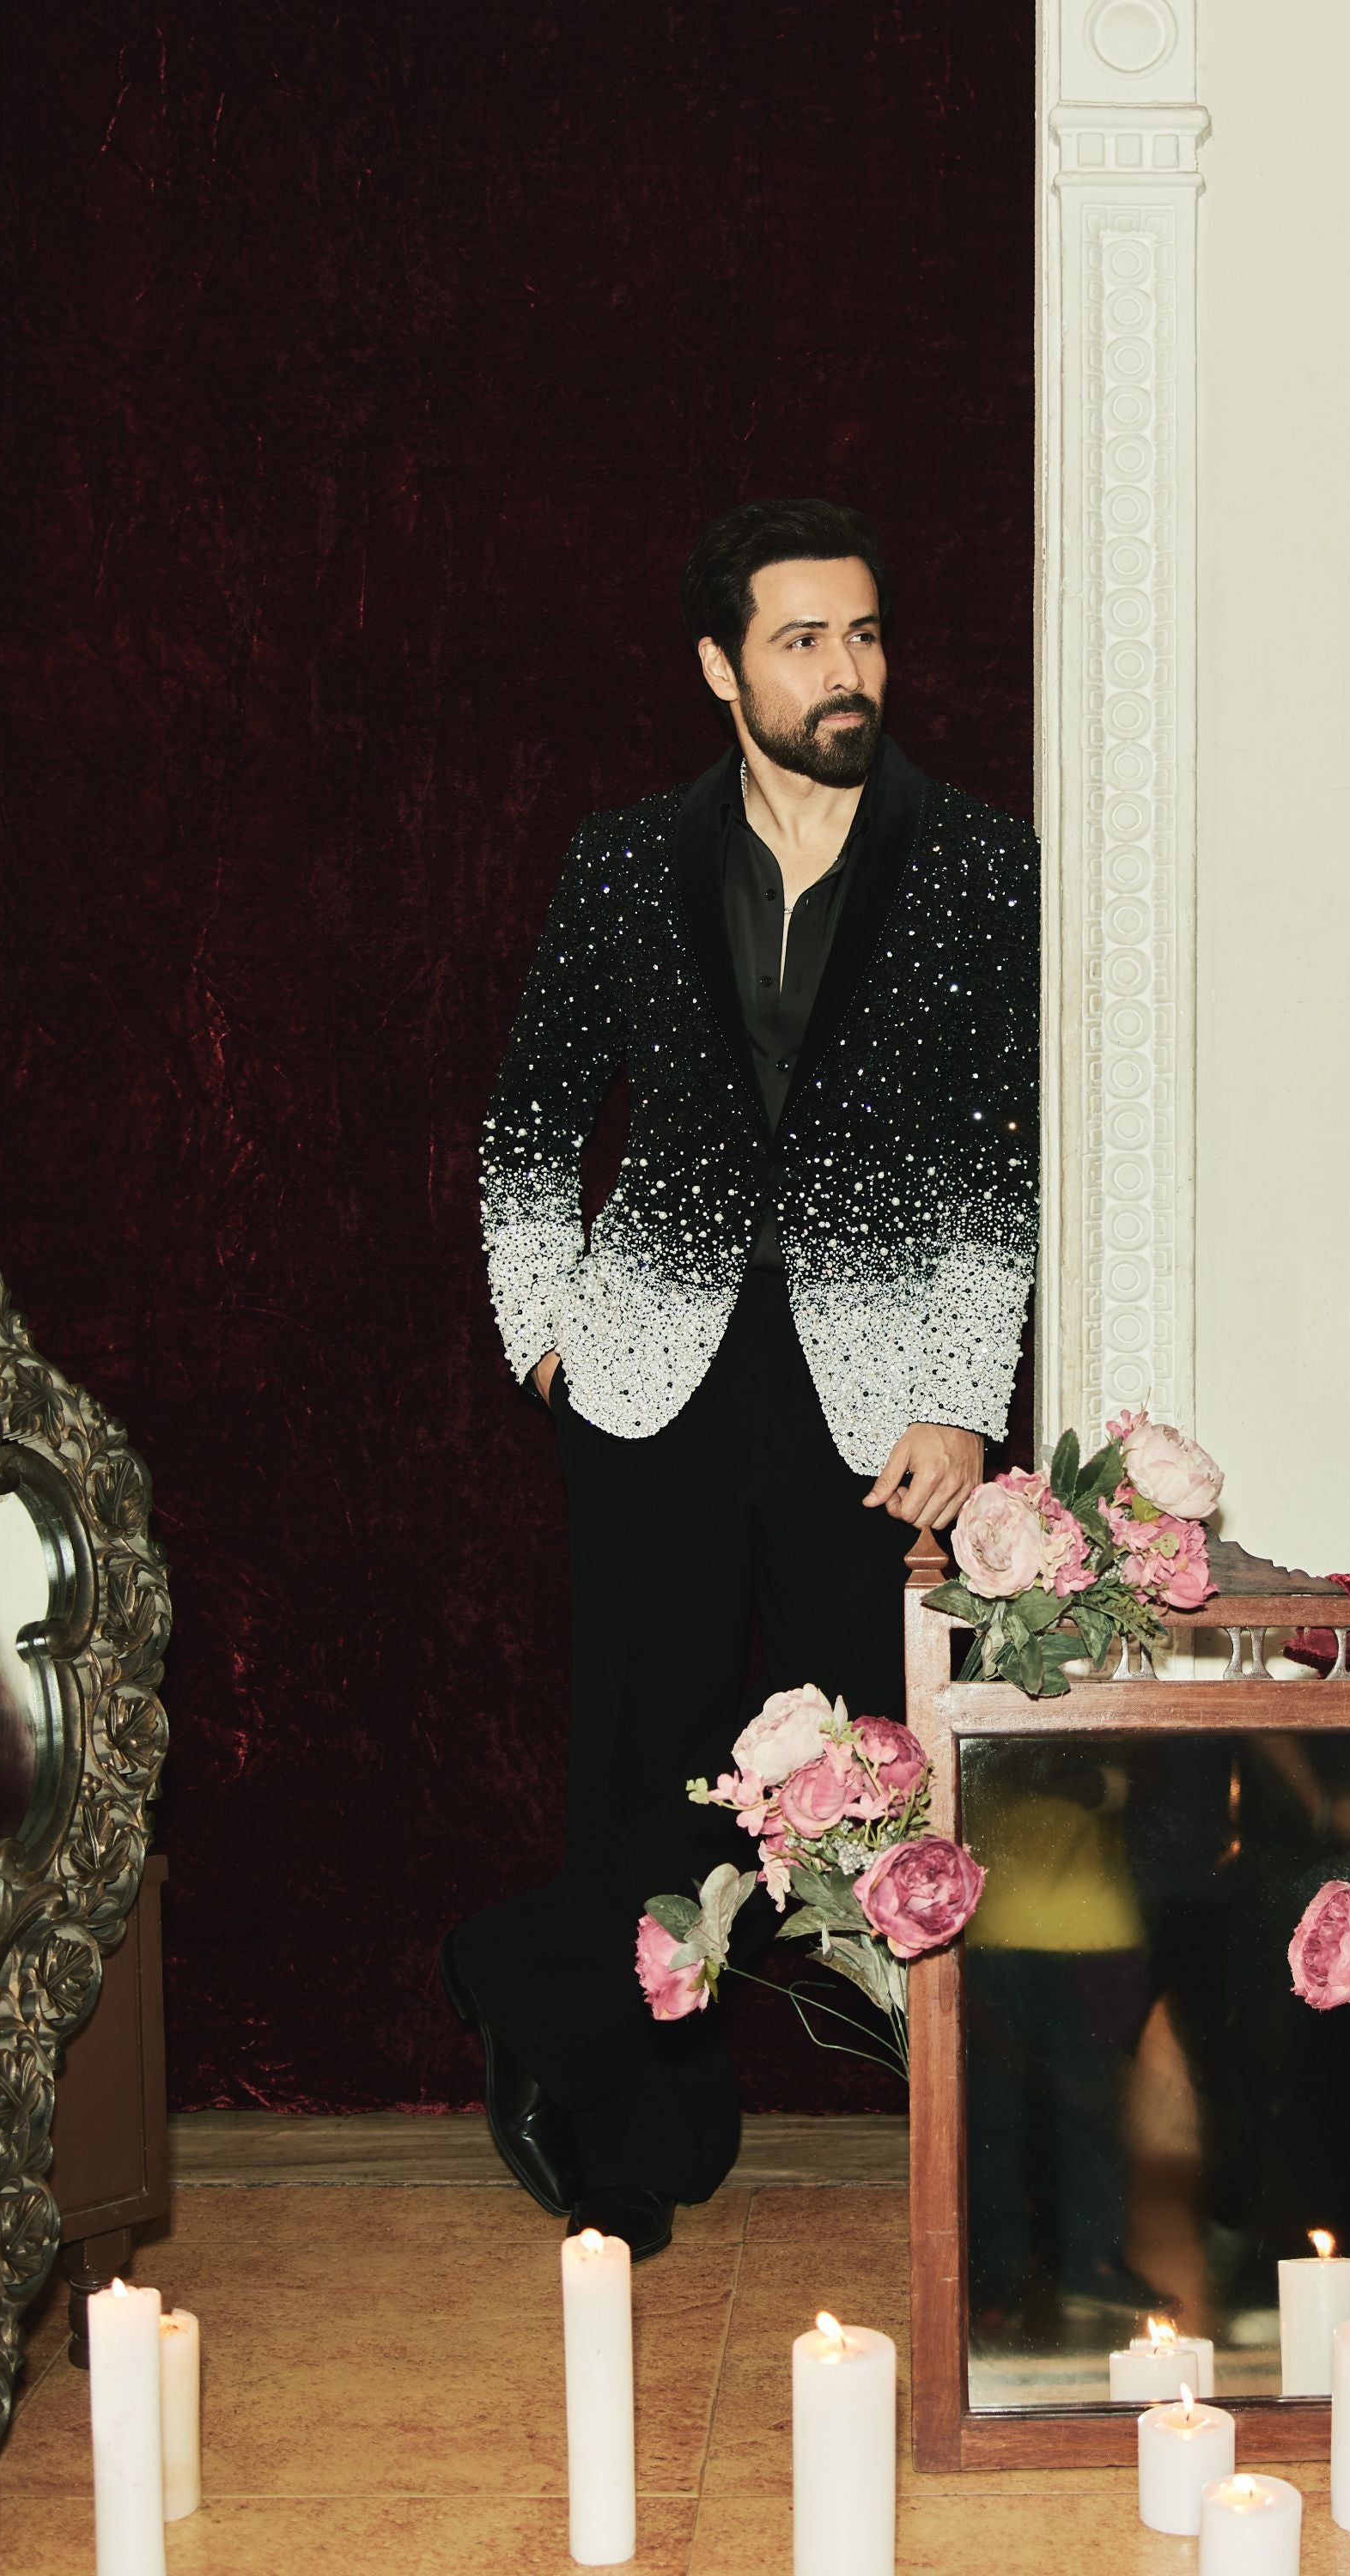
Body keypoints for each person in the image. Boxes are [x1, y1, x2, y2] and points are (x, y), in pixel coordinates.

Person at [442, 498, 1037, 2257]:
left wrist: (962, 1397)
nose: (847, 671)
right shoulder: (626, 859)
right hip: (653, 1369)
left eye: (864, 634)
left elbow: (998, 1162)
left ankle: (518, 1970)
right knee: (650, 1741)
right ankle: (637, 2135)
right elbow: (531, 1120)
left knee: (860, 1755)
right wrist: (541, 1327)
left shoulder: (978, 864)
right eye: (802, 641)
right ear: (720, 668)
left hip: (876, 1387)